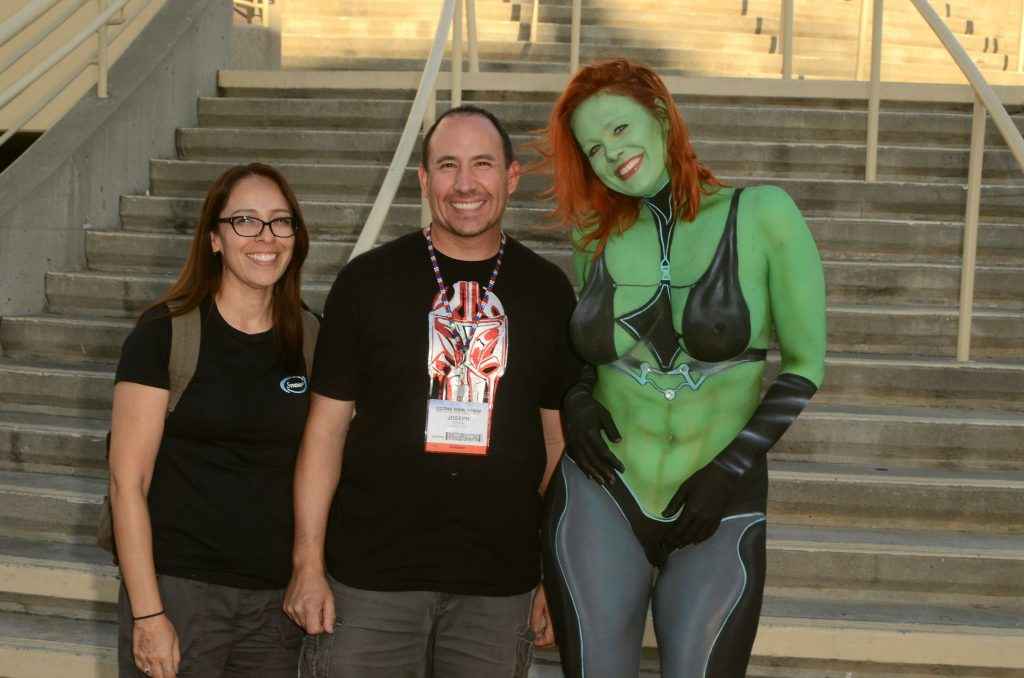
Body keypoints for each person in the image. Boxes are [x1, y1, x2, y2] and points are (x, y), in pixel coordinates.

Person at [537, 59, 827, 677]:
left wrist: (730, 468)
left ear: (662, 116)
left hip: (718, 500)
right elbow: (591, 353)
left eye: (619, 129)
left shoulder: (764, 213)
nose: (611, 155)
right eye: (593, 148)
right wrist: (577, 399)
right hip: (601, 492)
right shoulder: (594, 234)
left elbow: (805, 367)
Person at [283, 104, 578, 677]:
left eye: (482, 164)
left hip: (498, 588)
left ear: (512, 176)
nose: (465, 184)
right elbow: (324, 433)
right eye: (447, 165)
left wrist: (554, 574)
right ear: (423, 180)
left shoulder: (546, 291)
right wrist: (307, 563)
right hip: (370, 580)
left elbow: (557, 446)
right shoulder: (367, 282)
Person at [109, 163, 315, 678]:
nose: (266, 237)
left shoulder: (312, 339)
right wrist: (148, 614)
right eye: (245, 220)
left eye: (280, 221)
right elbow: (127, 483)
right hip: (180, 595)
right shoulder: (163, 335)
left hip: (275, 609)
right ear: (215, 239)